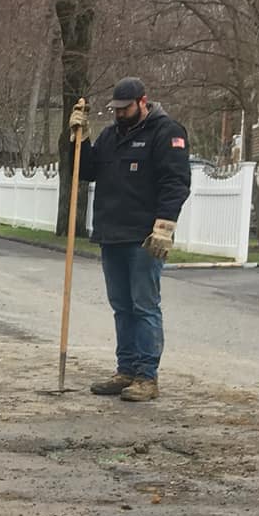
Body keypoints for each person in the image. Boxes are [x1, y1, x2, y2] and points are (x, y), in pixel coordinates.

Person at [69, 77, 192, 402]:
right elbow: (85, 170)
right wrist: (78, 140)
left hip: (144, 237)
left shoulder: (167, 133)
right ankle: (125, 370)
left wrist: (164, 226)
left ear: (142, 101)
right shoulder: (110, 136)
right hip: (112, 234)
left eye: (125, 109)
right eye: (116, 109)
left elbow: (176, 182)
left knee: (144, 306)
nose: (119, 114)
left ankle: (146, 377)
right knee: (121, 307)